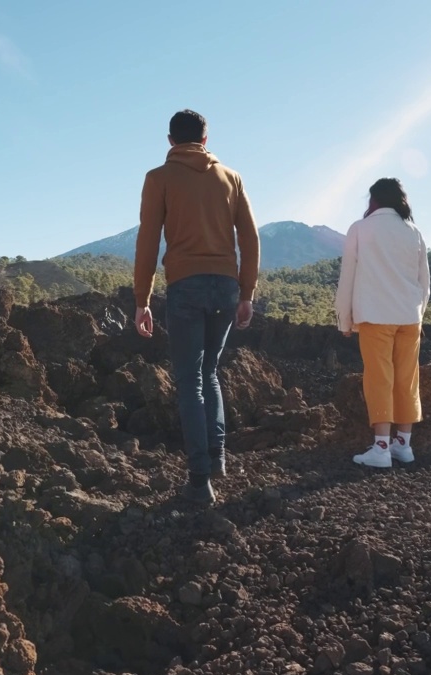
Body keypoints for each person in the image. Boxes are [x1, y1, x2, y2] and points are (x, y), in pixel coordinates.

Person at [133, 109, 261, 505]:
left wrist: (142, 301)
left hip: (185, 286)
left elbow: (148, 241)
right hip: (225, 286)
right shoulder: (231, 177)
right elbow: (251, 239)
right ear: (206, 140)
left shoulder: (159, 178)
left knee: (189, 380)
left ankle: (199, 479)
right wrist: (246, 294)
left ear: (170, 141)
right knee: (210, 373)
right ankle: (218, 457)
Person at [335, 178, 430, 468]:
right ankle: (403, 444)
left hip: (376, 316)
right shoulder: (413, 232)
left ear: (373, 200)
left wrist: (344, 320)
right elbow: (424, 283)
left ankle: (380, 449)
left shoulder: (360, 229)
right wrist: (419, 313)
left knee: (379, 378)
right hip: (409, 318)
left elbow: (347, 277)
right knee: (406, 378)